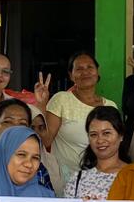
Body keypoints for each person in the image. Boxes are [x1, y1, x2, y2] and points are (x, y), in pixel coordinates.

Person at [36, 51, 117, 192]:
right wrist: (41, 105)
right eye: (79, 69)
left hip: (101, 182)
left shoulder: (111, 106)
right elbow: (46, 140)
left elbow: (115, 147)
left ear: (97, 72)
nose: (85, 72)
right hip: (66, 181)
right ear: (71, 75)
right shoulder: (62, 99)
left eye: (90, 67)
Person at [0, 98, 54, 193]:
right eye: (7, 122)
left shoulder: (38, 170)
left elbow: (49, 201)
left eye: (22, 123)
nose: (15, 128)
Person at [65, 106, 127, 199]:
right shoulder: (77, 180)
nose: (100, 140)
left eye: (106, 133)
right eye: (93, 135)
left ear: (121, 135)